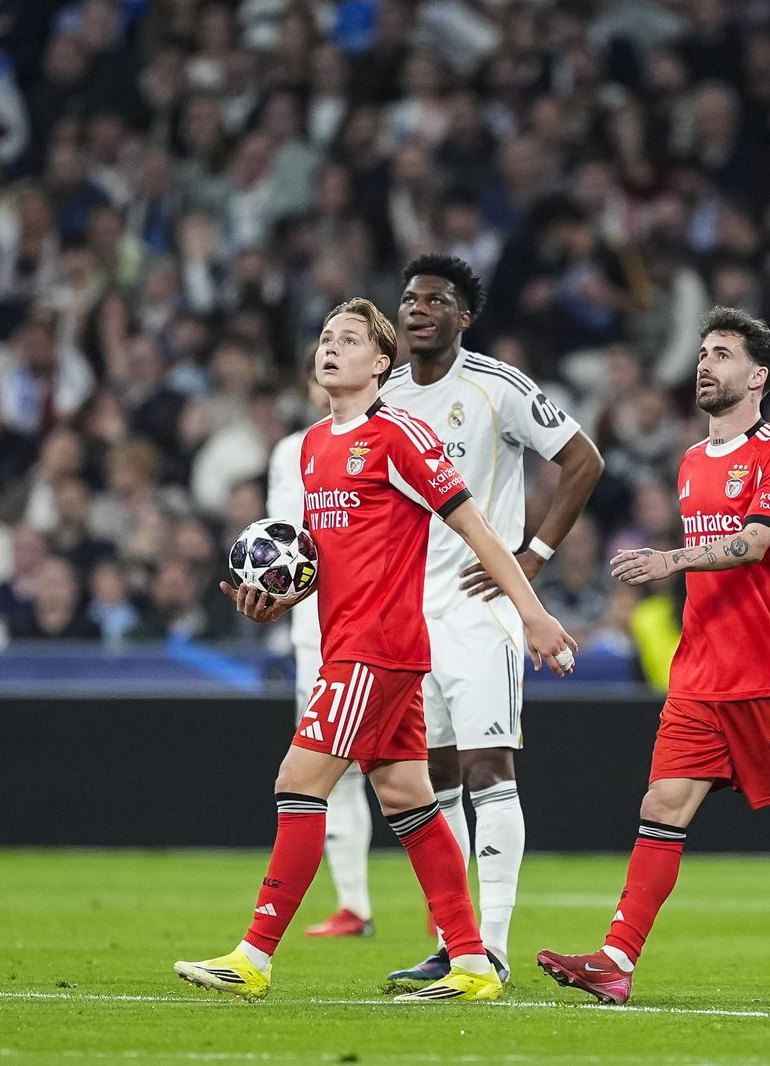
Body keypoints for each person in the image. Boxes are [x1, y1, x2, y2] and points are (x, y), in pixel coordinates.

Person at [173, 298, 577, 1003]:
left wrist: (532, 613)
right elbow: (333, 560)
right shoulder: (312, 447)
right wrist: (279, 597)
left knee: (298, 783)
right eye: (325, 337)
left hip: (377, 649)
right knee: (408, 799)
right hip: (351, 645)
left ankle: (254, 956)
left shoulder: (399, 435)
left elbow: (475, 527)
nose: (330, 348)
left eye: (349, 339)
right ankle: (473, 962)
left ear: (381, 362)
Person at [536, 307, 770, 1008]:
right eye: (702, 352)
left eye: (722, 353)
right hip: (700, 673)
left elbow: (755, 543)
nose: (704, 364)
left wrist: (669, 559)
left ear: (757, 377)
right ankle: (616, 961)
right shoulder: (692, 462)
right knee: (663, 803)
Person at [381, 254, 604, 987]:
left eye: (435, 300)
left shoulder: (496, 386)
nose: (418, 310)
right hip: (408, 613)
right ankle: (459, 943)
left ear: (463, 317)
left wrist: (534, 556)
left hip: (481, 609)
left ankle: (495, 947)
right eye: (410, 299)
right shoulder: (385, 398)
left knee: (487, 766)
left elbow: (583, 459)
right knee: (433, 776)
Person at [265, 376, 377, 939]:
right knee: (335, 774)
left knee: (420, 768)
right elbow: (281, 543)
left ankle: (444, 907)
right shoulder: (293, 449)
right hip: (312, 631)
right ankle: (353, 904)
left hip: (374, 626)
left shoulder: (383, 440)